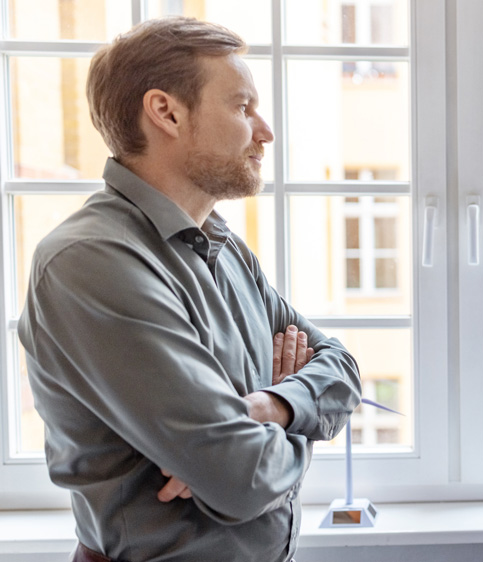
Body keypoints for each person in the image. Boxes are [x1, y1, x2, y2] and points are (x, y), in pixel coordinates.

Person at [17, 17, 362, 562]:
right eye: (243, 107)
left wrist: (270, 405)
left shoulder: (222, 245)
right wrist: (301, 420)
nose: (265, 131)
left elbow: (342, 369)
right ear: (167, 112)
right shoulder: (90, 261)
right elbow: (242, 478)